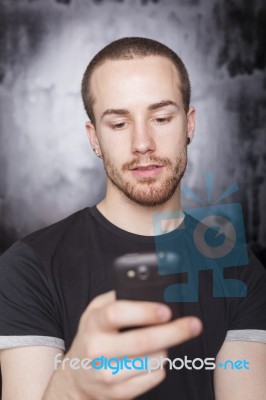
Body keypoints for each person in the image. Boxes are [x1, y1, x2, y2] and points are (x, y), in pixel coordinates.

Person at [0, 37, 265, 400]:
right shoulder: (29, 267)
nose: (143, 143)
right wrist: (74, 386)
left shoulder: (240, 269)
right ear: (94, 138)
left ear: (189, 124)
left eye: (160, 118)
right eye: (119, 124)